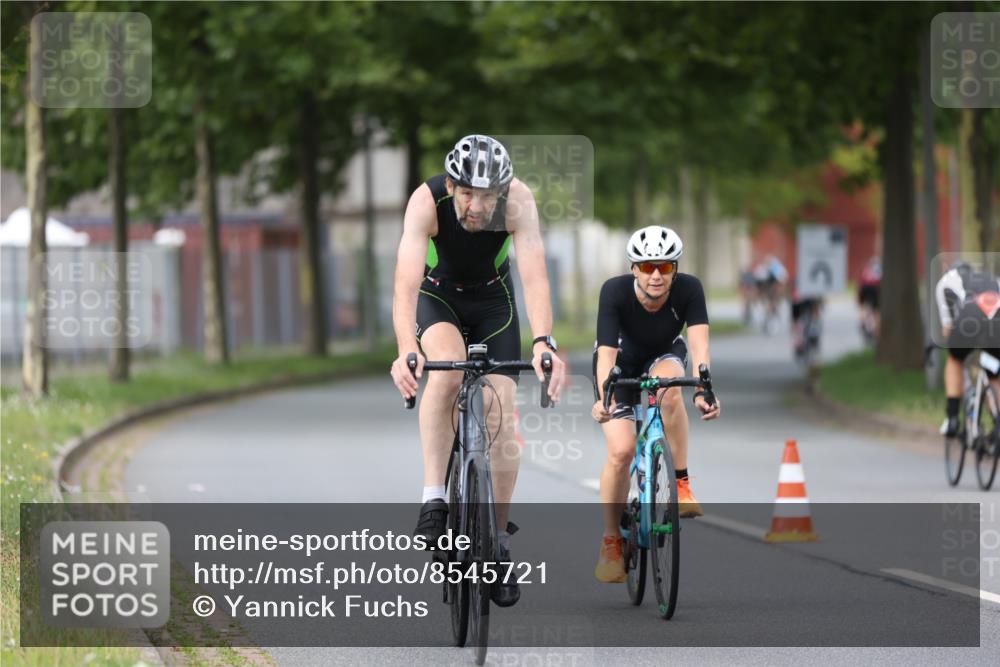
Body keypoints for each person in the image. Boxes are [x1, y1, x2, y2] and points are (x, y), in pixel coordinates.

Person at [389, 134, 566, 607]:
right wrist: (407, 348)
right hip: (438, 295)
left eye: (489, 195)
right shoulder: (425, 201)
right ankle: (433, 498)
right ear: (451, 185)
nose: (477, 204)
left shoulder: (519, 202)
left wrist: (544, 340)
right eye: (468, 192)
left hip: (493, 301)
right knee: (447, 373)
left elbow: (533, 275)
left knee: (502, 414)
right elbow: (406, 285)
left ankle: (497, 542)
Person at [590, 226, 720, 583]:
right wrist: (604, 396)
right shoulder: (614, 291)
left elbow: (699, 347)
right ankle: (612, 539)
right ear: (634, 269)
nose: (657, 276)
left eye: (665, 267)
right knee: (621, 452)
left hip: (664, 355)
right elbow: (605, 353)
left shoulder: (689, 289)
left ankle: (680, 482)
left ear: (675, 268)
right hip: (621, 363)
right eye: (648, 267)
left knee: (671, 389)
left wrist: (704, 389)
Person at [935, 261, 1000, 437]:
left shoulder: (946, 281)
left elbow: (948, 329)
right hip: (996, 319)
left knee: (954, 359)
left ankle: (953, 418)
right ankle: (998, 421)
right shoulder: (990, 278)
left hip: (971, 315)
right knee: (993, 371)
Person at [857, 256, 882, 343]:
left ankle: (863, 322)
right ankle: (876, 332)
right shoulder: (879, 269)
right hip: (875, 289)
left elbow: (860, 284)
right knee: (877, 311)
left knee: (863, 307)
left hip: (865, 289)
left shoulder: (866, 269)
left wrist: (859, 300)